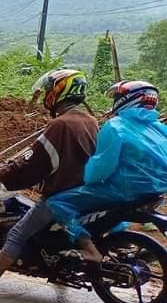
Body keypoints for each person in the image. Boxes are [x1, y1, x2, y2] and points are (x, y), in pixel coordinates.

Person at [0, 70, 99, 291]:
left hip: (62, 194)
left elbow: (35, 163)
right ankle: (60, 278)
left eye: (48, 90)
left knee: (17, 234)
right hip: (85, 193)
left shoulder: (60, 124)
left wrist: (1, 173)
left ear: (58, 92)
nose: (46, 95)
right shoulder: (90, 120)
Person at [47, 81, 167, 262]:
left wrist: (86, 179)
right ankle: (118, 240)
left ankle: (88, 248)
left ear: (127, 99)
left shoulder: (116, 126)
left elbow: (101, 167)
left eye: (118, 97)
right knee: (113, 208)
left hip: (121, 190)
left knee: (57, 203)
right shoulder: (159, 128)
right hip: (154, 193)